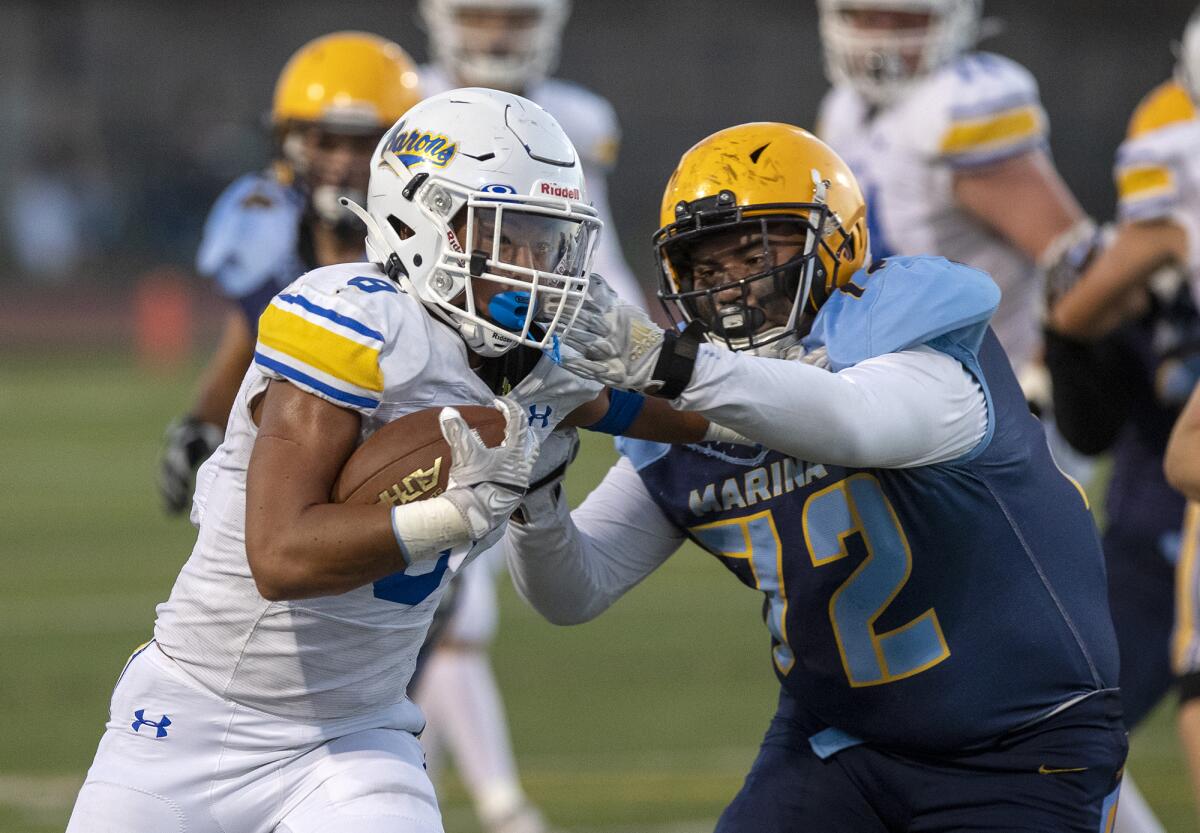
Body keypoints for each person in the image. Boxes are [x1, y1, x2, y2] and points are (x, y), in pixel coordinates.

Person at [503, 122, 1126, 832]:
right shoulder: (692, 403)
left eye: (755, 253)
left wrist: (674, 369)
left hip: (1023, 739)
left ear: (837, 242)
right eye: (706, 270)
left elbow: (854, 418)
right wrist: (536, 491)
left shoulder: (906, 320)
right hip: (838, 740)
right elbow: (573, 591)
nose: (733, 288)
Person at [66, 88, 619, 833]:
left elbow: (704, 415)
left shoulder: (543, 363)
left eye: (544, 240)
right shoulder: (352, 316)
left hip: (354, 736)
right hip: (187, 719)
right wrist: (450, 514)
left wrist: (684, 363)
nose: (532, 267)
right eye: (505, 235)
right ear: (433, 228)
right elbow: (281, 557)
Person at [414, 4, 644, 829]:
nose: (497, 32)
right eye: (479, 12)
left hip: (520, 371)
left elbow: (596, 258)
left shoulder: (576, 119)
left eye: (514, 14)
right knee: (439, 603)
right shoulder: (411, 108)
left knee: (447, 607)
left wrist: (647, 355)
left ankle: (426, 792)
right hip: (426, 366)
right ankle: (495, 805)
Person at [157, 31, 423, 514]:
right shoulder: (269, 233)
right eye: (325, 141)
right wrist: (203, 422)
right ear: (290, 143)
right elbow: (247, 345)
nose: (342, 162)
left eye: (363, 143)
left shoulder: (427, 245)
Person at [1046, 9, 1200, 831]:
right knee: (1060, 727)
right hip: (1158, 540)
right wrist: (1077, 322)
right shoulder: (1167, 139)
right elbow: (1100, 425)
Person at [814, 0, 1098, 446]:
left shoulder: (957, 105)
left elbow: (1073, 258)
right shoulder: (843, 111)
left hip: (988, 398)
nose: (882, 36)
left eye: (905, 19)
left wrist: (1040, 370)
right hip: (890, 385)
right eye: (867, 16)